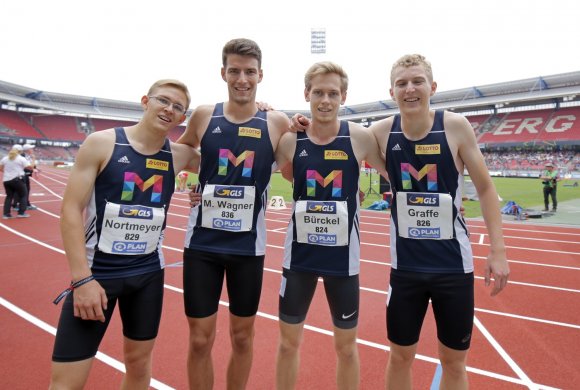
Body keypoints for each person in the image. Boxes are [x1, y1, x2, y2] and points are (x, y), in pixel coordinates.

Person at [367, 54, 510, 389]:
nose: (410, 89)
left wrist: (498, 252)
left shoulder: (455, 126)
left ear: (432, 87)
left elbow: (487, 189)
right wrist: (292, 121)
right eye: (402, 83)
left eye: (417, 81)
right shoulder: (381, 131)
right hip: (405, 270)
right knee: (400, 356)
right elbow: (332, 134)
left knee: (454, 363)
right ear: (392, 91)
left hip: (453, 268)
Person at [49, 79, 200, 390]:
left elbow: (234, 163)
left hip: (147, 276)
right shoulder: (102, 143)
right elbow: (70, 211)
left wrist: (199, 190)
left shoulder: (179, 155)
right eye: (163, 101)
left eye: (178, 107)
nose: (169, 109)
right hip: (97, 276)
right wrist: (82, 279)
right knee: (67, 381)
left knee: (139, 364)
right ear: (145, 101)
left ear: (182, 118)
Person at [176, 38, 292, 390]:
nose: (242, 79)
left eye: (250, 72)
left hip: (247, 249)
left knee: (242, 337)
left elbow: (298, 162)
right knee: (199, 339)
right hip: (202, 245)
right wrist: (196, 183)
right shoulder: (203, 115)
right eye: (235, 71)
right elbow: (181, 152)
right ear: (223, 72)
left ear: (261, 75)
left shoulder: (276, 122)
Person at [273, 61, 387, 390]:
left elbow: (395, 176)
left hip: (343, 262)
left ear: (344, 96)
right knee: (287, 344)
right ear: (306, 94)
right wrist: (201, 194)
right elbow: (255, 177)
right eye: (319, 92)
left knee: (347, 348)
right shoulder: (290, 141)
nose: (325, 100)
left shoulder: (359, 138)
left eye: (333, 93)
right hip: (299, 260)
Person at [1, 144, 32, 219]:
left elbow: (0, 168)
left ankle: (6, 214)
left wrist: (7, 173)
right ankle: (21, 213)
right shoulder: (21, 158)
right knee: (23, 195)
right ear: (20, 151)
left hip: (6, 180)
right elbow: (30, 168)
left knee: (9, 196)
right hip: (17, 179)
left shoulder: (5, 158)